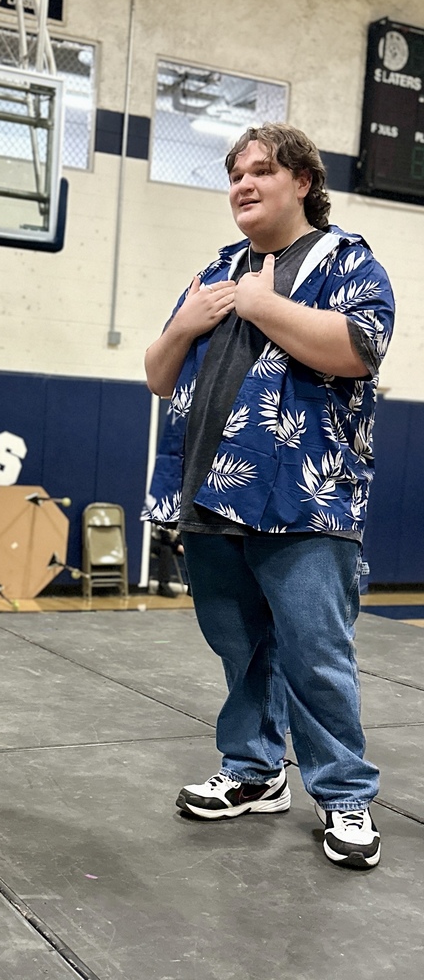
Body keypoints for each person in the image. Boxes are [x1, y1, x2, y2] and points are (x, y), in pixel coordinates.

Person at [143, 123, 394, 870]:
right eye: (235, 176)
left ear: (304, 183)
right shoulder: (218, 271)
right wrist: (188, 322)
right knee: (239, 646)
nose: (243, 186)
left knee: (316, 653)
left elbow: (357, 349)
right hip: (211, 492)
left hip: (305, 497)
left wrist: (260, 304)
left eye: (261, 172)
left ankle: (344, 794)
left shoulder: (344, 260)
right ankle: (254, 773)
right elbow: (159, 375)